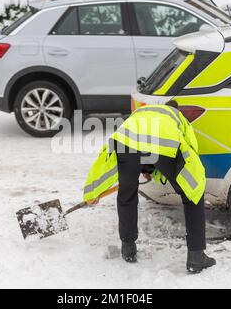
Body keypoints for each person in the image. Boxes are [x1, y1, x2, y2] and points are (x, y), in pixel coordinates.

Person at [83, 101, 216, 273]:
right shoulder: (178, 117)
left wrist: (93, 192)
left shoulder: (141, 112)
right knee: (192, 195)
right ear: (176, 109)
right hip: (164, 143)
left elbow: (141, 144)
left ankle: (128, 248)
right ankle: (196, 257)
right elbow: (190, 149)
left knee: (127, 193)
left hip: (125, 141)